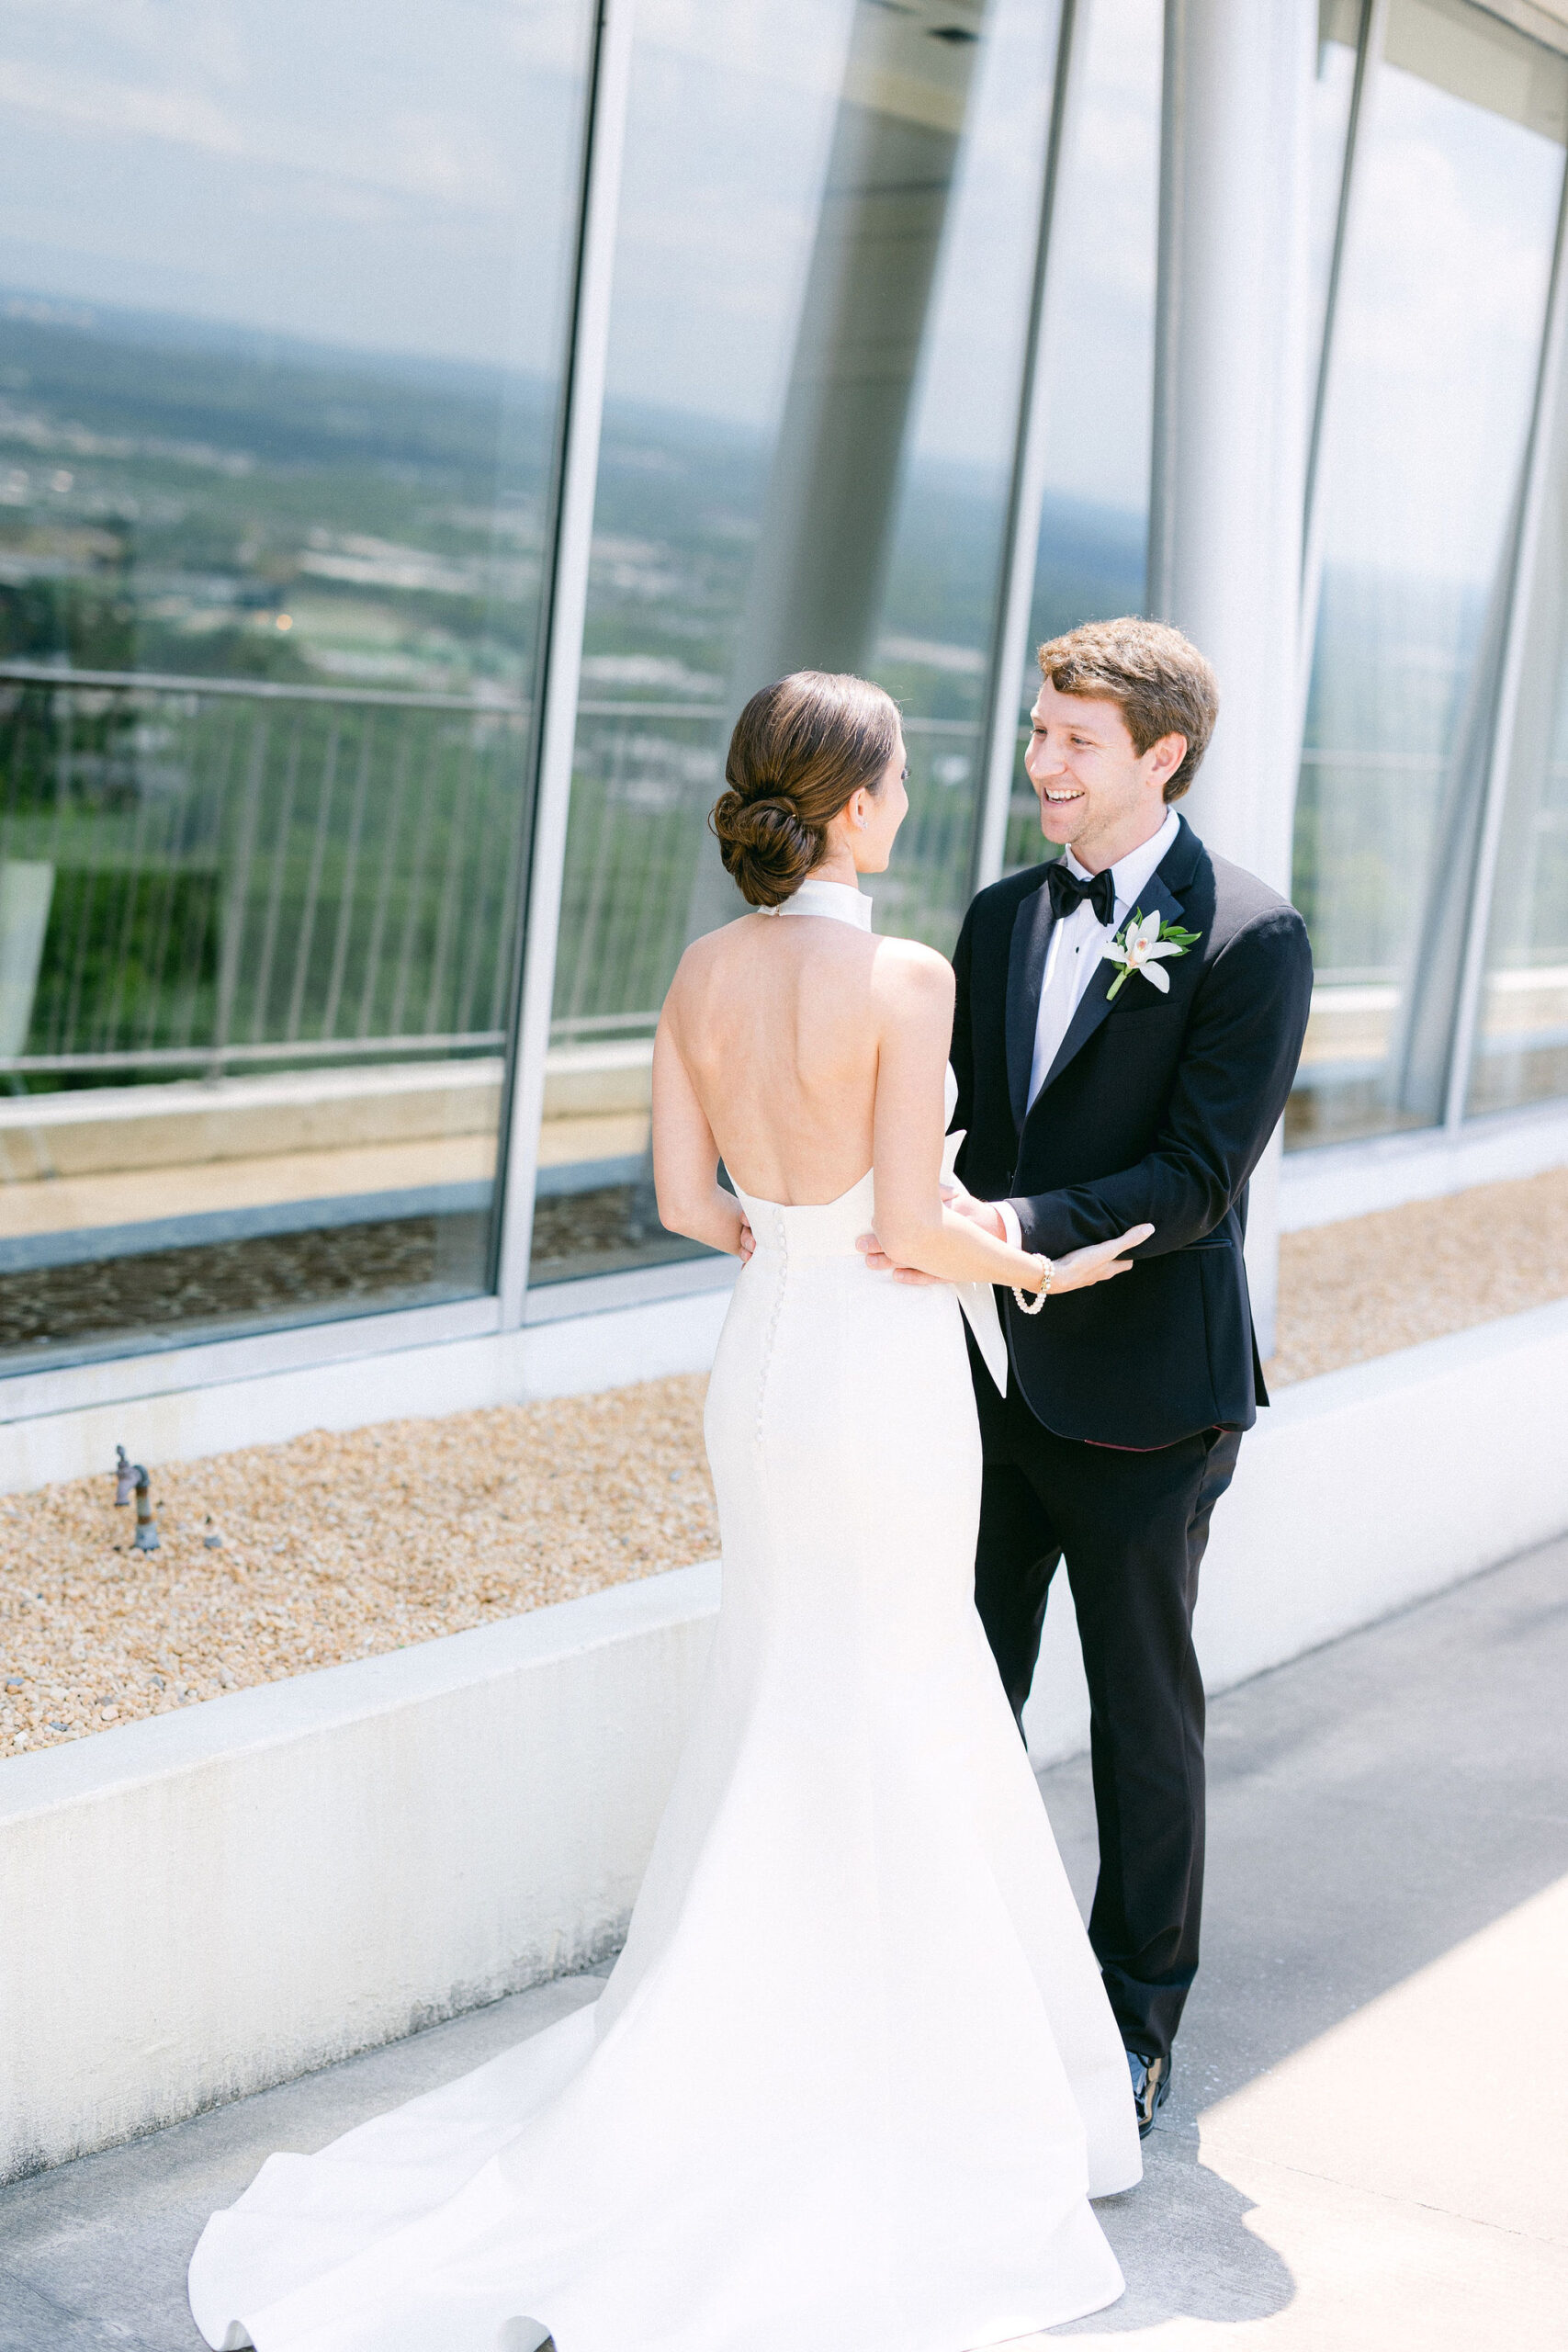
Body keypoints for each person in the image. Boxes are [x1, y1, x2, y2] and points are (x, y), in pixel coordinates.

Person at [186, 669, 1150, 2352]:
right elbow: (919, 1230)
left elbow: (678, 1201)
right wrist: (1040, 1263)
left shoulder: (704, 970)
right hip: (880, 1378)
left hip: (764, 1365)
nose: (917, 796)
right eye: (905, 777)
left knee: (790, 1682)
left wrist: (794, 1237)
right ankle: (892, 2062)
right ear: (850, 805)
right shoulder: (905, 973)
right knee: (899, 1682)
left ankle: (739, 2027)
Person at [867, 618, 1313, 2137]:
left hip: (1148, 1402)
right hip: (986, 1382)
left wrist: (999, 1229)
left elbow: (1196, 1179)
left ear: (1161, 757)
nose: (1039, 761)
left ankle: (1133, 2021)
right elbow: (968, 1124)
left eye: (1074, 741)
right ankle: (943, 1976)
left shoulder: (1250, 936)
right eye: (1039, 731)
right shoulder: (999, 917)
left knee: (1141, 1720)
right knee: (962, 1687)